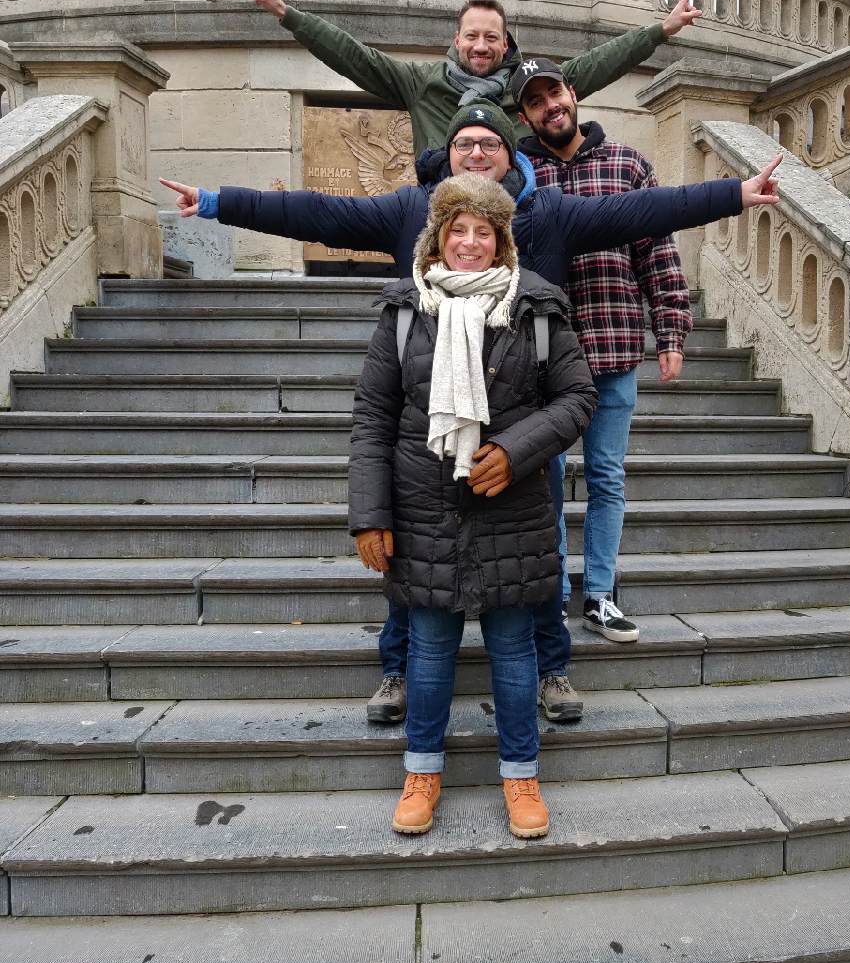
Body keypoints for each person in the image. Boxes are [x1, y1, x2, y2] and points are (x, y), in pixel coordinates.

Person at [161, 106, 783, 724]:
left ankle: (551, 670)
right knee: (415, 559)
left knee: (538, 558)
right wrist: (217, 202)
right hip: (428, 430)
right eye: (464, 143)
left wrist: (733, 194)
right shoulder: (413, 209)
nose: (477, 152)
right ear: (447, 155)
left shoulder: (549, 211)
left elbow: (641, 211)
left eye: (490, 143)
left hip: (522, 433)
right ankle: (398, 671)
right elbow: (317, 212)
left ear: (511, 157)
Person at [351, 171, 597, 838]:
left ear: (501, 241)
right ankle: (421, 772)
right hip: (422, 505)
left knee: (514, 651)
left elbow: (578, 398)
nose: (468, 242)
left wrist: (516, 451)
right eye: (456, 230)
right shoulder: (405, 311)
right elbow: (372, 416)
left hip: (511, 505)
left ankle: (521, 776)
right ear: (435, 240)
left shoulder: (536, 308)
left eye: (482, 231)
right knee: (429, 651)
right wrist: (370, 514)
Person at [514, 56, 692, 655]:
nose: (550, 107)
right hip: (541, 356)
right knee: (544, 480)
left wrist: (671, 331)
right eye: (536, 102)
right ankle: (552, 595)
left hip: (614, 343)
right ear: (525, 116)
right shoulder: (520, 174)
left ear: (572, 94)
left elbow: (657, 253)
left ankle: (599, 593)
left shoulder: (627, 165)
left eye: (555, 93)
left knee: (607, 477)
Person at [242, 0, 703, 158]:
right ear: (457, 40)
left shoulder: (531, 87)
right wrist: (287, 14)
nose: (481, 46)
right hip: (445, 229)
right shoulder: (423, 83)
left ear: (505, 44)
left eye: (491, 38)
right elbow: (354, 57)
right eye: (472, 37)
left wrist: (660, 30)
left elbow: (601, 62)